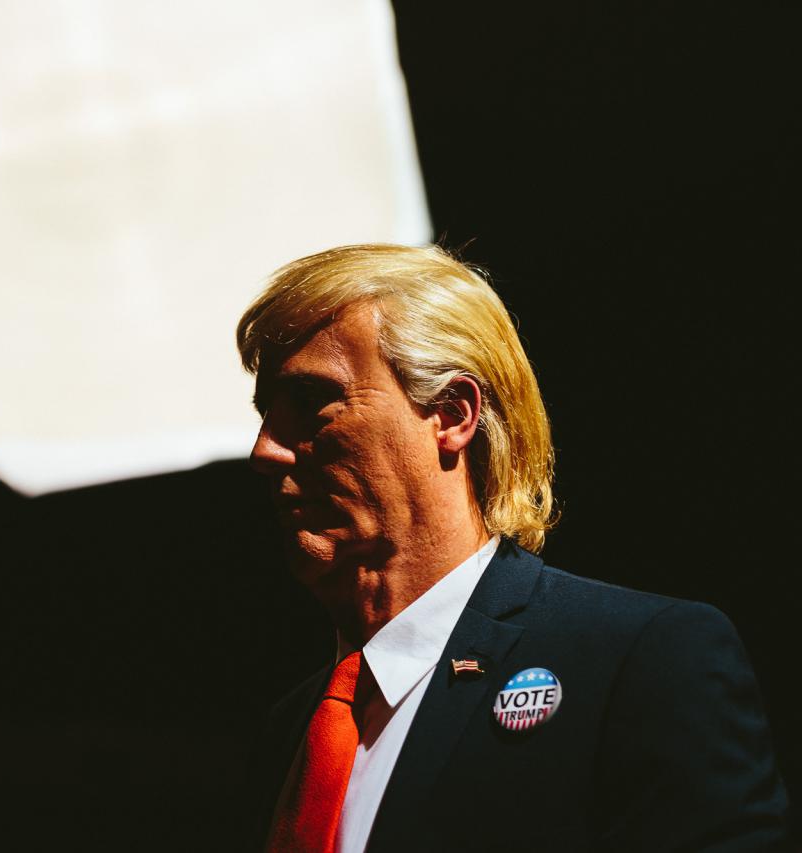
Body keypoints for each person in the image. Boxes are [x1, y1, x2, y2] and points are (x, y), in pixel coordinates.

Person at [237, 244, 789, 851]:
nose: (265, 451)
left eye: (310, 402)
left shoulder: (641, 660)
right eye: (266, 414)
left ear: (452, 415)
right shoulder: (288, 732)